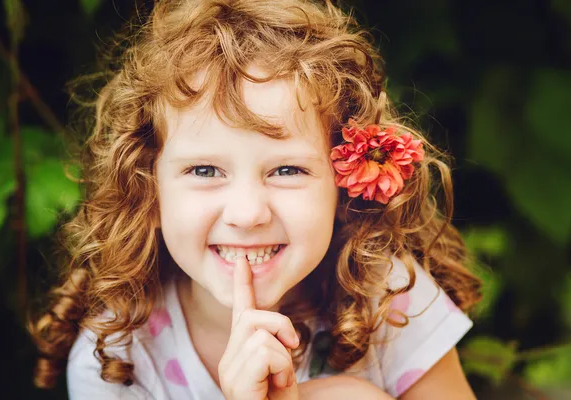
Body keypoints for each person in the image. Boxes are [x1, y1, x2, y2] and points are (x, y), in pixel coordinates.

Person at [29, 0, 483, 398]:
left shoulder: (387, 298)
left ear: (343, 188)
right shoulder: (117, 358)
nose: (247, 214)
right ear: (148, 188)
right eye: (205, 171)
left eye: (287, 170)